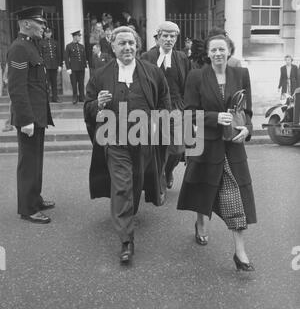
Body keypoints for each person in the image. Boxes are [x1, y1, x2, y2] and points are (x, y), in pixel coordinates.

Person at [84, 26, 171, 264]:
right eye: (122, 43)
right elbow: (88, 105)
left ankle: (128, 214)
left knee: (136, 180)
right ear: (112, 47)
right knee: (122, 185)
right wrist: (98, 106)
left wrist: (162, 127)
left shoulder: (153, 72)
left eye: (131, 43)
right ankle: (126, 239)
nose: (127, 48)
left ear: (137, 46)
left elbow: (164, 100)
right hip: (115, 139)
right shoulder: (101, 75)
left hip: (144, 139)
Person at [177, 33, 256, 271]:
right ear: (208, 53)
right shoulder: (197, 76)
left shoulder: (241, 74)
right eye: (214, 50)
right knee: (203, 188)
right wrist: (213, 117)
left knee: (235, 197)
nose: (218, 54)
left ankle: (240, 252)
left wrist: (247, 128)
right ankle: (201, 221)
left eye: (222, 49)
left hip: (232, 146)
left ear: (229, 50)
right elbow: (188, 112)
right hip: (207, 144)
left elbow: (248, 111)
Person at [7, 6, 55, 224]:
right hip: (29, 118)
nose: (45, 26)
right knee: (29, 162)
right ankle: (28, 208)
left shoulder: (32, 46)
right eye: (40, 22)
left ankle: (35, 197)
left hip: (38, 115)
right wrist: (25, 119)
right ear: (26, 23)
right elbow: (17, 88)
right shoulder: (19, 48)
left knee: (37, 161)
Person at [141, 21, 190, 191]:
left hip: (176, 108)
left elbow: (188, 85)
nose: (169, 39)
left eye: (172, 36)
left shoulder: (182, 58)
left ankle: (168, 171)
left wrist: (184, 107)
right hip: (155, 109)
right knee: (157, 148)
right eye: (165, 36)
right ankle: (158, 179)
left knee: (176, 150)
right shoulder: (147, 57)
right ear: (158, 37)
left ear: (176, 38)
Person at [64, 30, 87, 104]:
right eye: (78, 36)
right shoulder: (69, 46)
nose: (80, 37)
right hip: (73, 68)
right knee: (74, 83)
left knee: (81, 83)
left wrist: (85, 66)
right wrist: (68, 68)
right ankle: (75, 97)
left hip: (81, 68)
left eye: (80, 36)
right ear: (74, 37)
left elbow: (84, 57)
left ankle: (82, 97)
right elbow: (66, 58)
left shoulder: (81, 46)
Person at [40, 27, 62, 103]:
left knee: (54, 83)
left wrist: (59, 65)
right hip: (46, 66)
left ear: (51, 33)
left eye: (49, 32)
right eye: (46, 32)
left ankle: (55, 98)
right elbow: (40, 55)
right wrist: (42, 66)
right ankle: (47, 98)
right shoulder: (41, 42)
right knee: (46, 83)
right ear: (44, 33)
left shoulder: (55, 42)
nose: (48, 34)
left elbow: (58, 54)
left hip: (54, 66)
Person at [1, 63, 14, 132]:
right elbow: (5, 77)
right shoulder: (9, 61)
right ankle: (9, 124)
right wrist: (7, 81)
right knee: (12, 105)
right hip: (12, 85)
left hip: (21, 85)